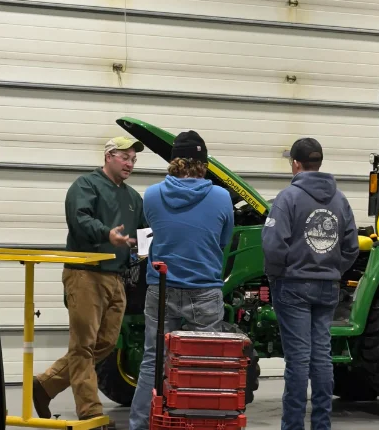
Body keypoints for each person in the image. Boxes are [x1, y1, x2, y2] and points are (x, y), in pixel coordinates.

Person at [32, 136, 148, 429]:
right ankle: (91, 413)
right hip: (85, 275)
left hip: (117, 278)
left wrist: (147, 254)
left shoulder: (134, 198)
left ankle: (44, 385)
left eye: (134, 159)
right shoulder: (86, 186)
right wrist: (107, 234)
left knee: (106, 343)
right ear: (109, 155)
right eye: (125, 157)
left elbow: (145, 232)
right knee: (83, 345)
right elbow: (78, 219)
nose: (130, 164)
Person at [128, 130, 235, 430]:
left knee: (153, 360)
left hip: (161, 288)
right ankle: (199, 424)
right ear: (203, 163)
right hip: (205, 290)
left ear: (173, 160)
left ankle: (140, 425)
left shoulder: (151, 195)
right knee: (203, 364)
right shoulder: (221, 196)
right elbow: (224, 240)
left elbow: (154, 232)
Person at [261, 137, 359, 430]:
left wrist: (278, 274)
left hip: (292, 286)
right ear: (319, 162)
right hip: (327, 287)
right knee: (321, 357)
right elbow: (351, 246)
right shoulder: (340, 200)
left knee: (298, 360)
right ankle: (321, 425)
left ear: (295, 163)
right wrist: (331, 269)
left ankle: (292, 426)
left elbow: (273, 245)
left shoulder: (287, 198)